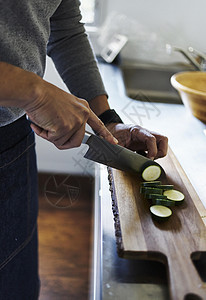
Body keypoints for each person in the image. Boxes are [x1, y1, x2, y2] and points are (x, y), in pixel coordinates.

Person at [0, 0, 168, 299]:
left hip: (13, 139)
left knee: (17, 283)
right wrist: (36, 93)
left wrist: (108, 122)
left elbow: (65, 29)